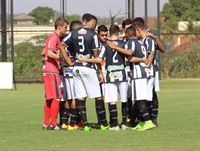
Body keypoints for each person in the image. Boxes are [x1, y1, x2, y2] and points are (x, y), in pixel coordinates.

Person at [59, 13, 109, 131]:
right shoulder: (93, 35)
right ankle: (103, 124)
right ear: (93, 24)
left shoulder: (73, 32)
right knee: (98, 96)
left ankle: (85, 125)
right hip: (88, 67)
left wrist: (69, 62)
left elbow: (61, 46)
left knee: (80, 97)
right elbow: (96, 55)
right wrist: (100, 71)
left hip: (76, 67)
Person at [79, 24, 129, 131]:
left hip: (110, 75)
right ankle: (124, 123)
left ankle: (115, 125)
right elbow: (130, 54)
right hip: (123, 75)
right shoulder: (124, 43)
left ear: (109, 33)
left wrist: (85, 60)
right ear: (119, 33)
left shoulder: (105, 45)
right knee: (124, 100)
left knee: (112, 101)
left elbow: (99, 59)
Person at [107, 26, 155, 131]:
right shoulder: (140, 42)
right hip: (146, 71)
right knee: (143, 97)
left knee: (139, 98)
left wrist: (115, 47)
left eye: (125, 35)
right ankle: (142, 122)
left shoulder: (131, 42)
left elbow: (130, 54)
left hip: (139, 72)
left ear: (128, 35)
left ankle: (148, 121)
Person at [132, 17, 166, 127]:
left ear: (138, 28)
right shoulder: (138, 39)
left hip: (150, 70)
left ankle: (152, 119)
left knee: (151, 94)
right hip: (145, 70)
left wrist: (155, 38)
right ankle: (144, 119)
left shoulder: (150, 37)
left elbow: (161, 50)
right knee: (146, 95)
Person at [42, 18, 72, 130]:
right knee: (57, 97)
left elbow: (44, 52)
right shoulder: (54, 37)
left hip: (49, 70)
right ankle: (54, 124)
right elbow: (49, 52)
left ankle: (46, 123)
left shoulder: (54, 38)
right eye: (65, 27)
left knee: (50, 98)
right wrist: (61, 57)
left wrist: (45, 58)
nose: (66, 29)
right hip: (52, 70)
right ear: (59, 27)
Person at [59, 20, 83, 130]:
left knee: (69, 98)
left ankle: (64, 122)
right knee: (75, 98)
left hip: (67, 71)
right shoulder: (75, 40)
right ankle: (73, 124)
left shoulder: (65, 40)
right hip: (73, 71)